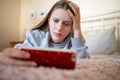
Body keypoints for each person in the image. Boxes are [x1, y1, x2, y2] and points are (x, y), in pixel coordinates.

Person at [0, 0, 90, 67]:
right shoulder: (35, 37)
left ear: (72, 27)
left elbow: (84, 64)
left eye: (66, 24)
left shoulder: (76, 42)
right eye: (55, 20)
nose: (59, 28)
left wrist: (77, 30)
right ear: (49, 21)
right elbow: (20, 52)